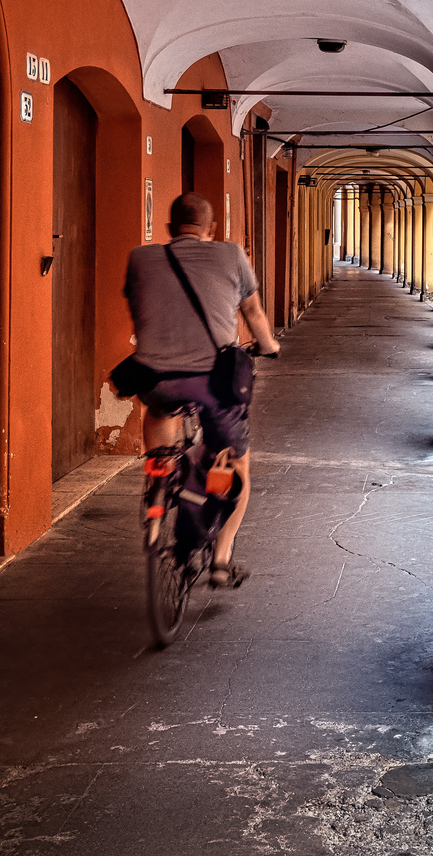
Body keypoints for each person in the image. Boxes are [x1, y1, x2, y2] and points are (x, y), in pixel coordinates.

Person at [123, 192, 280, 588]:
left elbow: (139, 303)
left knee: (159, 411)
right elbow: (254, 313)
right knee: (236, 465)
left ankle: (159, 470)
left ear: (169, 227)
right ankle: (222, 559)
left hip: (155, 378)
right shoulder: (231, 255)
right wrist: (269, 346)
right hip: (213, 383)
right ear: (211, 229)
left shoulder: (140, 257)